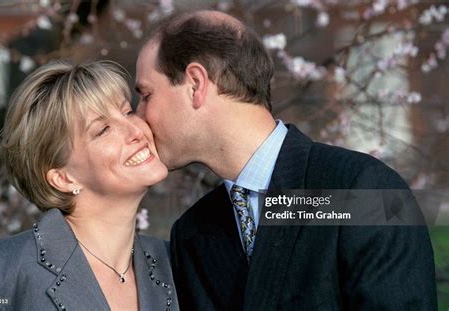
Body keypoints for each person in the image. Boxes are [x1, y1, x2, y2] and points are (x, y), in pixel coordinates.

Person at [135, 10, 438, 310]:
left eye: (146, 95)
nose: (139, 116)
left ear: (195, 84)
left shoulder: (365, 192)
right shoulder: (192, 234)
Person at [0, 60, 178, 310]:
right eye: (103, 129)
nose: (135, 129)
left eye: (127, 112)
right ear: (63, 178)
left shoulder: (176, 264)